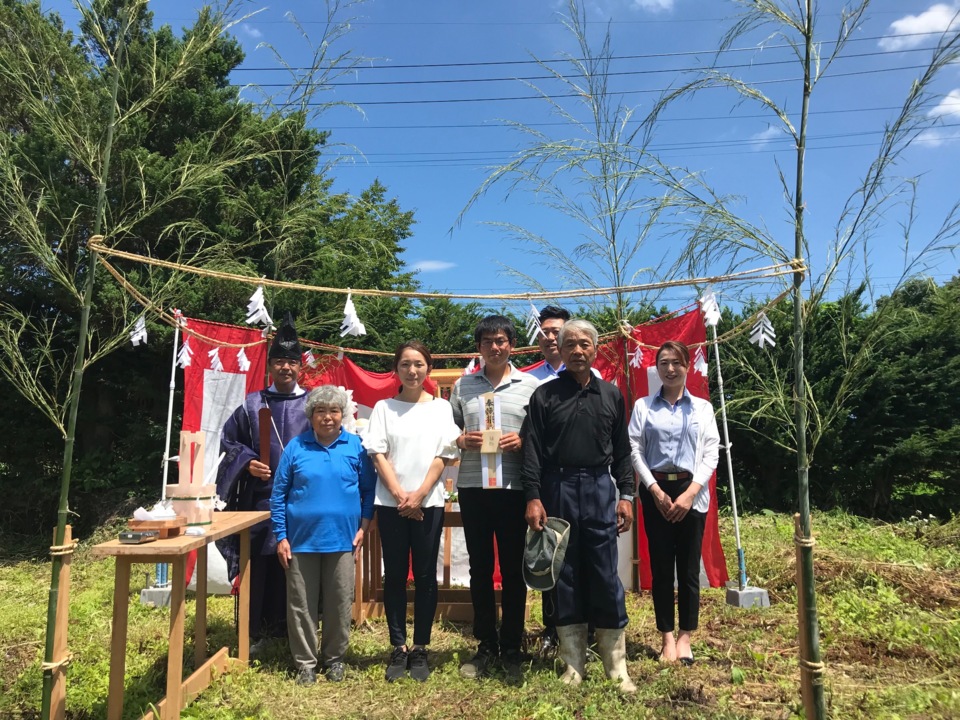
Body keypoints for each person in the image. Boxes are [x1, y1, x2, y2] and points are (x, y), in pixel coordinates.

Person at [521, 319, 637, 693]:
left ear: (595, 348)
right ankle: (573, 664)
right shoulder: (544, 396)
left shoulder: (612, 396)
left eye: (584, 344)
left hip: (600, 488)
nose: (576, 350)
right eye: (569, 344)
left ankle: (615, 666)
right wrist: (533, 496)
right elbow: (533, 452)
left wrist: (627, 495)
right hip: (557, 488)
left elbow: (622, 451)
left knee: (605, 573)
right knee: (564, 573)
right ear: (561, 348)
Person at [363, 341, 460, 682]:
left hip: (428, 504)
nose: (413, 370)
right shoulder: (383, 408)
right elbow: (377, 454)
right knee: (395, 575)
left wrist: (418, 495)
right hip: (391, 505)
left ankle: (420, 647)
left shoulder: (441, 409)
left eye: (419, 364)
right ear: (397, 369)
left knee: (423, 576)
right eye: (406, 364)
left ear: (428, 368)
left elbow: (443, 455)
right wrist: (400, 495)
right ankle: (397, 645)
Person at [450, 315, 539, 679]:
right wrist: (460, 440)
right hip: (473, 487)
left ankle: (513, 646)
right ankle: (486, 643)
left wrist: (523, 441)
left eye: (501, 340)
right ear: (479, 347)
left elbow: (541, 436)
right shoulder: (463, 386)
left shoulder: (531, 386)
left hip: (515, 489)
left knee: (515, 570)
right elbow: (449, 429)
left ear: (513, 345)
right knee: (480, 568)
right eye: (488, 341)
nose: (495, 347)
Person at [271, 385, 376, 686]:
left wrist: (364, 525)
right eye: (320, 411)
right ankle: (305, 663)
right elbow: (278, 495)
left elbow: (368, 490)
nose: (327, 417)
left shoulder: (356, 447)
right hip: (300, 541)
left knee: (339, 602)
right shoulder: (296, 447)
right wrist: (281, 536)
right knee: (301, 604)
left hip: (343, 541)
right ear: (311, 415)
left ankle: (334, 659)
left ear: (343, 414)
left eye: (333, 411)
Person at [216, 313, 309, 649]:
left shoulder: (314, 405)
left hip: (302, 500)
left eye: (292, 362)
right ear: (270, 366)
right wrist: (249, 463)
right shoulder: (252, 404)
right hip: (260, 498)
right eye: (280, 362)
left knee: (296, 563)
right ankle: (253, 632)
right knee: (259, 563)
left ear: (301, 366)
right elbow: (230, 442)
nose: (286, 368)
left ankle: (294, 630)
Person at [627, 340, 720, 666]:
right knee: (662, 568)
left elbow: (711, 452)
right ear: (657, 367)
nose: (670, 369)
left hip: (691, 492)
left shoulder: (702, 409)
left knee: (689, 569)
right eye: (663, 363)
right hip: (656, 493)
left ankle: (685, 638)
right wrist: (653, 489)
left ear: (687, 366)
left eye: (676, 363)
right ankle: (666, 637)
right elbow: (634, 449)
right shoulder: (643, 407)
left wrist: (691, 492)